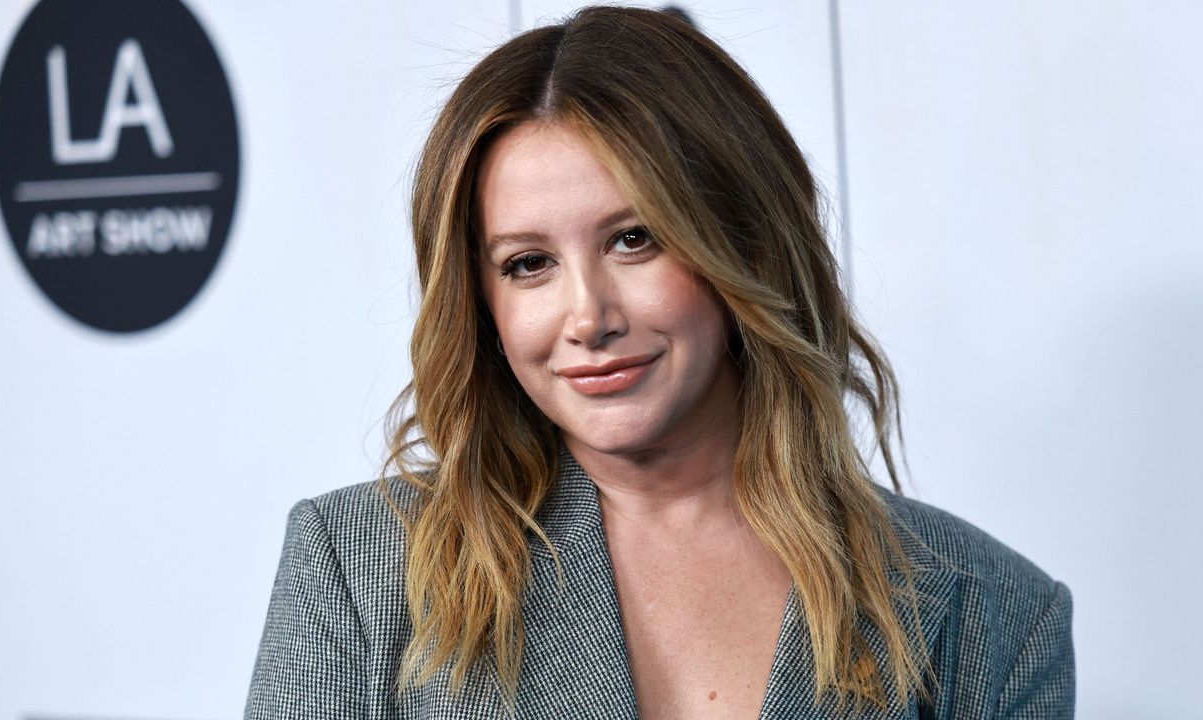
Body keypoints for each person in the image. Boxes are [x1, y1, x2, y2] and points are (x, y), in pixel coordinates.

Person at [245, 6, 1074, 718]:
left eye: (635, 240)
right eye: (527, 263)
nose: (588, 317)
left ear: (740, 239)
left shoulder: (986, 610)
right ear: (481, 301)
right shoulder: (359, 569)